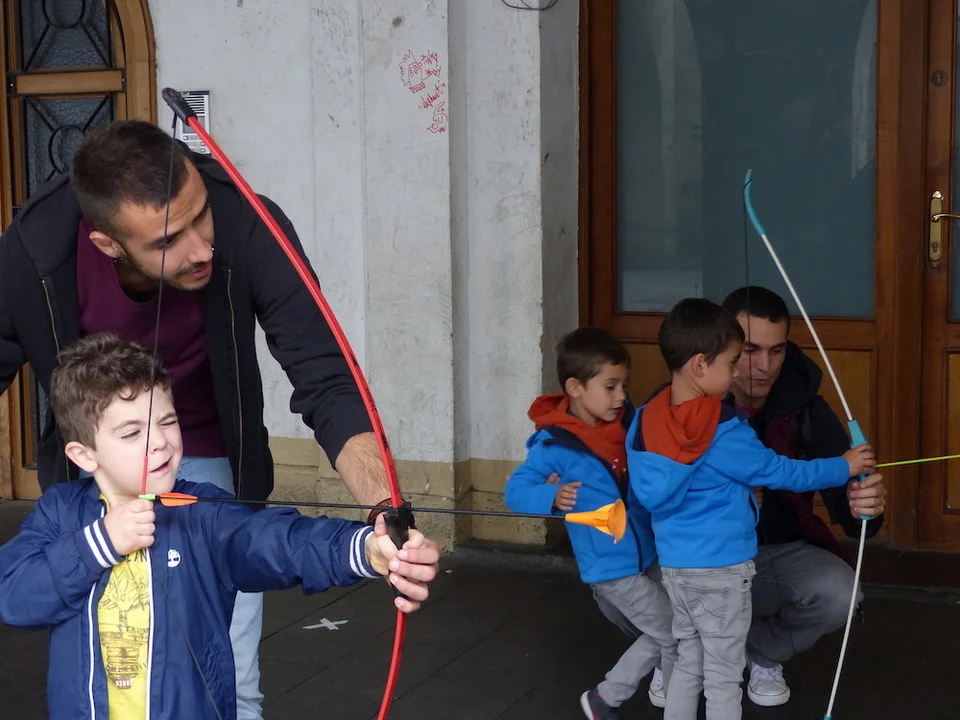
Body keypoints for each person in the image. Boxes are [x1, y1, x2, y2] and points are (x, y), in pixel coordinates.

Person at [0, 119, 417, 719]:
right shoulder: (34, 250)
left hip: (210, 445)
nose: (203, 249)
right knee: (101, 637)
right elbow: (21, 594)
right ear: (109, 244)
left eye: (201, 216)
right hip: (99, 465)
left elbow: (327, 378)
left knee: (230, 668)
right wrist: (98, 534)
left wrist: (382, 523)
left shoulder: (246, 220)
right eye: (170, 239)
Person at [0, 334, 440, 720]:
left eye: (168, 422)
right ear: (83, 455)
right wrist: (102, 542)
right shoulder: (61, 513)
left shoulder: (200, 512)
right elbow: (14, 596)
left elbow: (277, 542)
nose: (160, 442)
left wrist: (366, 549)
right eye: (131, 433)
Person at [625, 298, 875, 720]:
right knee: (724, 676)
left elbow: (650, 493)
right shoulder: (722, 429)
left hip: (677, 569)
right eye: (734, 361)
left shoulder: (645, 418)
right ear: (700, 365)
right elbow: (781, 472)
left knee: (688, 661)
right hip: (722, 571)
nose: (742, 370)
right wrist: (844, 466)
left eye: (774, 351)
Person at [720, 285, 886, 706]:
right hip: (699, 558)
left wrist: (864, 507)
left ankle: (761, 650)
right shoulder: (683, 400)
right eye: (751, 350)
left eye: (776, 351)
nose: (765, 366)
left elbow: (849, 500)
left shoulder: (806, 408)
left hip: (775, 556)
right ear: (723, 345)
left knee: (840, 593)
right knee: (626, 585)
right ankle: (677, 654)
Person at [504, 327, 678, 720]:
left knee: (675, 628)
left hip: (648, 551)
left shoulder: (627, 424)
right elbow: (515, 491)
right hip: (610, 567)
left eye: (624, 386)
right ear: (575, 387)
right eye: (611, 386)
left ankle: (668, 694)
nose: (621, 396)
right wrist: (551, 496)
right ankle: (608, 698)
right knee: (672, 631)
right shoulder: (554, 445)